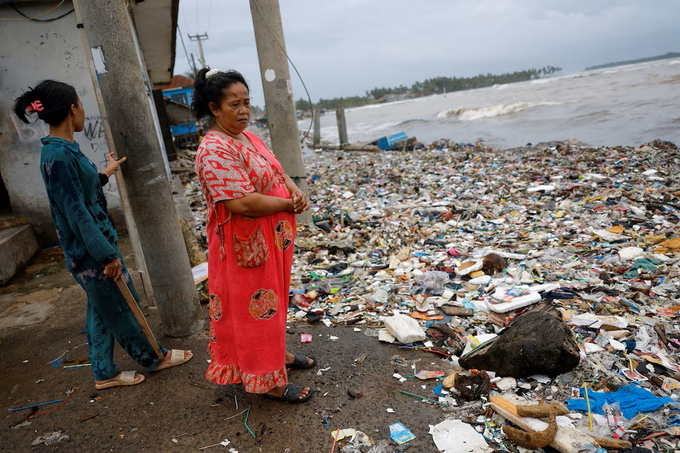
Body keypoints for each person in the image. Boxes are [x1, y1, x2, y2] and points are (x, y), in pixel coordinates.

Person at [13, 80, 192, 390]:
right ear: (73, 108)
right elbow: (76, 212)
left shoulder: (65, 150)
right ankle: (155, 357)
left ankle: (104, 373)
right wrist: (106, 255)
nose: (83, 110)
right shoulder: (56, 157)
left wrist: (104, 173)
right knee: (124, 306)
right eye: (81, 103)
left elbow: (81, 192)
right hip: (91, 253)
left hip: (94, 247)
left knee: (101, 311)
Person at [193, 68, 315, 403]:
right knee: (255, 309)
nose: (244, 110)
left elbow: (275, 168)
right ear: (214, 108)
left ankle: (277, 359)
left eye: (247, 102)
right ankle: (268, 381)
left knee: (273, 304)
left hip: (272, 241)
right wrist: (289, 204)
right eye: (235, 104)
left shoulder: (247, 136)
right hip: (246, 246)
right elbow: (241, 202)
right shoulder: (214, 149)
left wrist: (294, 190)